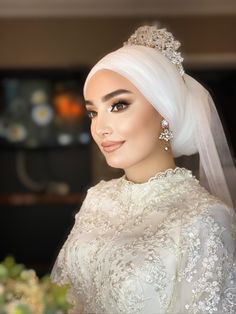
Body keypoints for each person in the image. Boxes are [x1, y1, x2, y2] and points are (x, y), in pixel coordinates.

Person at [51, 25, 236, 314]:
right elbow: (59, 296)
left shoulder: (205, 217)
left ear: (164, 110)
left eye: (118, 105)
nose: (100, 128)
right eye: (93, 112)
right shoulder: (98, 198)